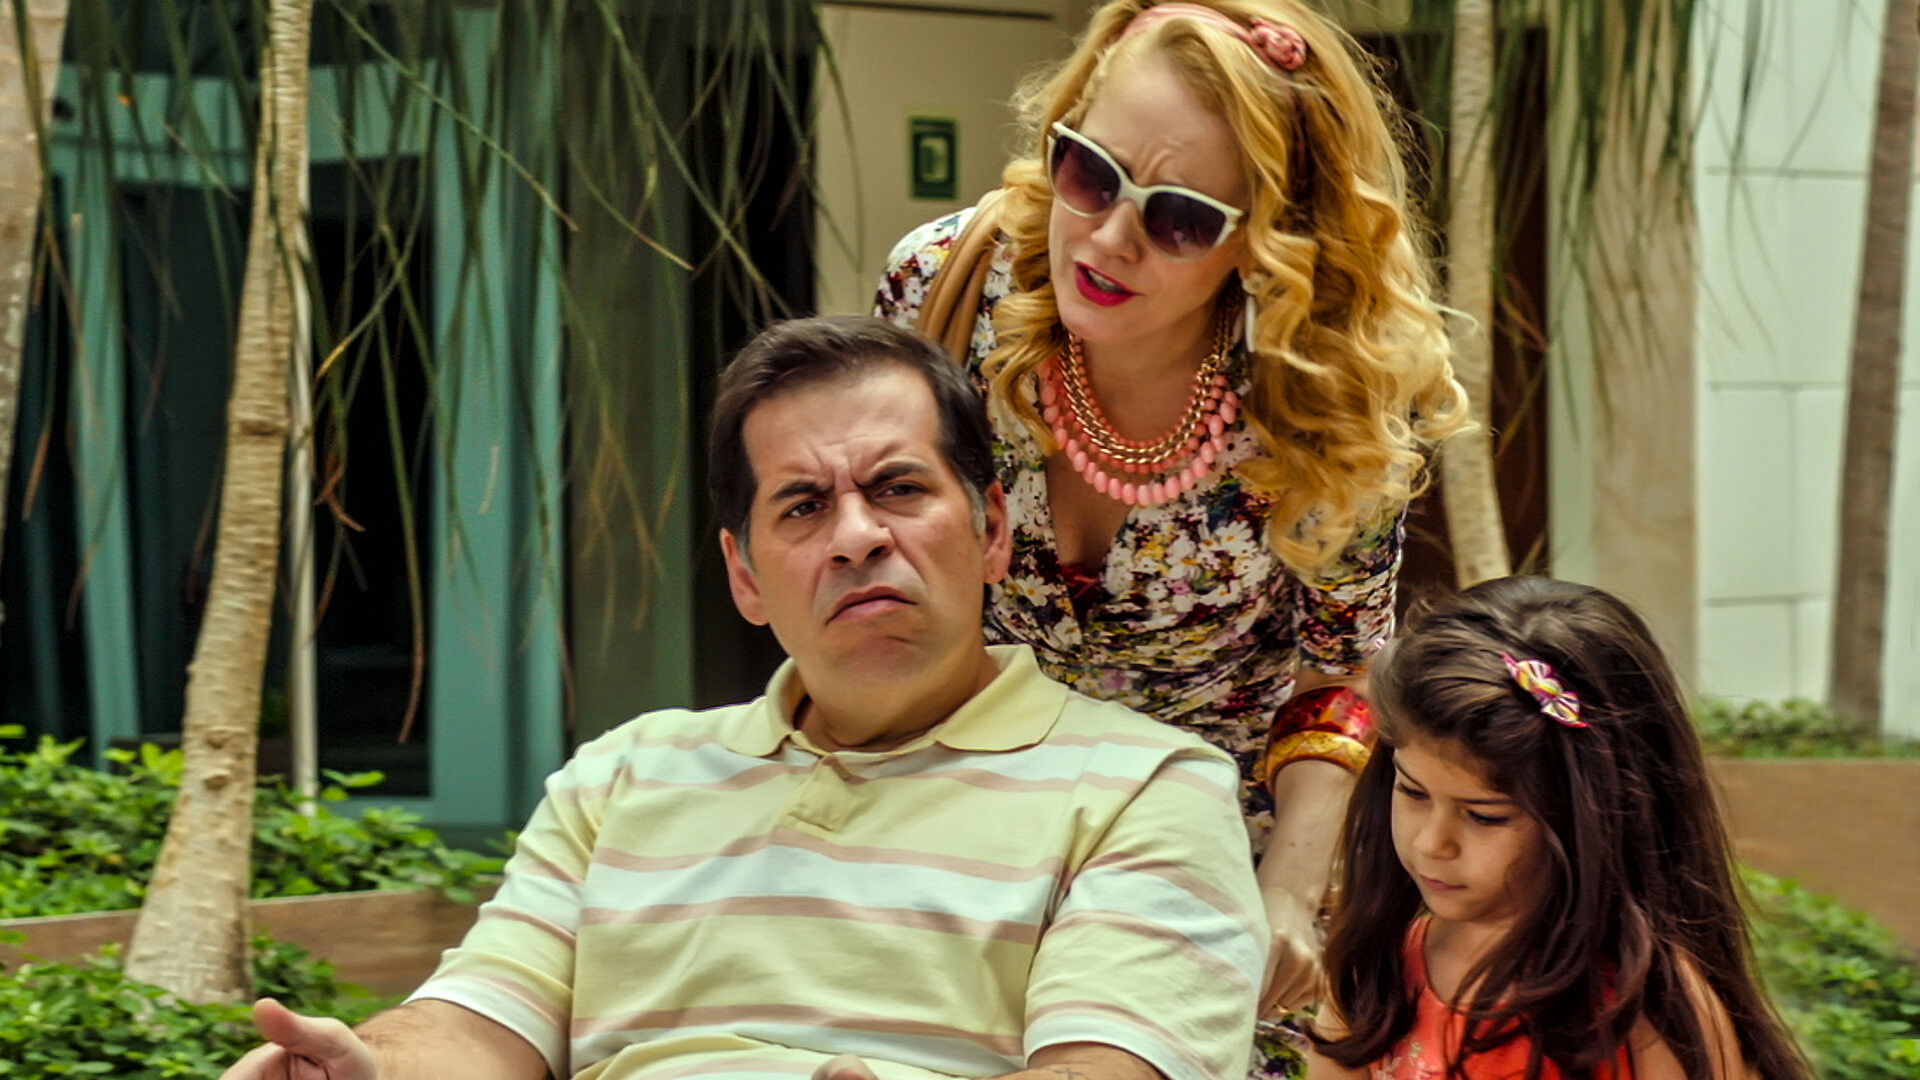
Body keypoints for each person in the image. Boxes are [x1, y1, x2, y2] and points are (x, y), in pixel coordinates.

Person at [218, 315, 1267, 1080]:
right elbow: (479, 1023)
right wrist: (369, 1068)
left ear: (993, 530)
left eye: (899, 488)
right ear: (745, 576)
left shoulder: (1147, 787)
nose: (856, 536)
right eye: (802, 506)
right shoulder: (625, 776)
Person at [873, 0, 1467, 1055]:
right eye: (1089, 171)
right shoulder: (945, 287)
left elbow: (1337, 671)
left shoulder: (1328, 392)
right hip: (958, 860)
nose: (1110, 236)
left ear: (1267, 241)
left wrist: (1287, 893)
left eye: (1181, 217)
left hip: (1209, 891)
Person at [1304, 576, 1812, 1080]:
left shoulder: (1647, 1012)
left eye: (1485, 816)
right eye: (1413, 792)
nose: (1432, 843)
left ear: (1594, 814)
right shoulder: (1378, 967)